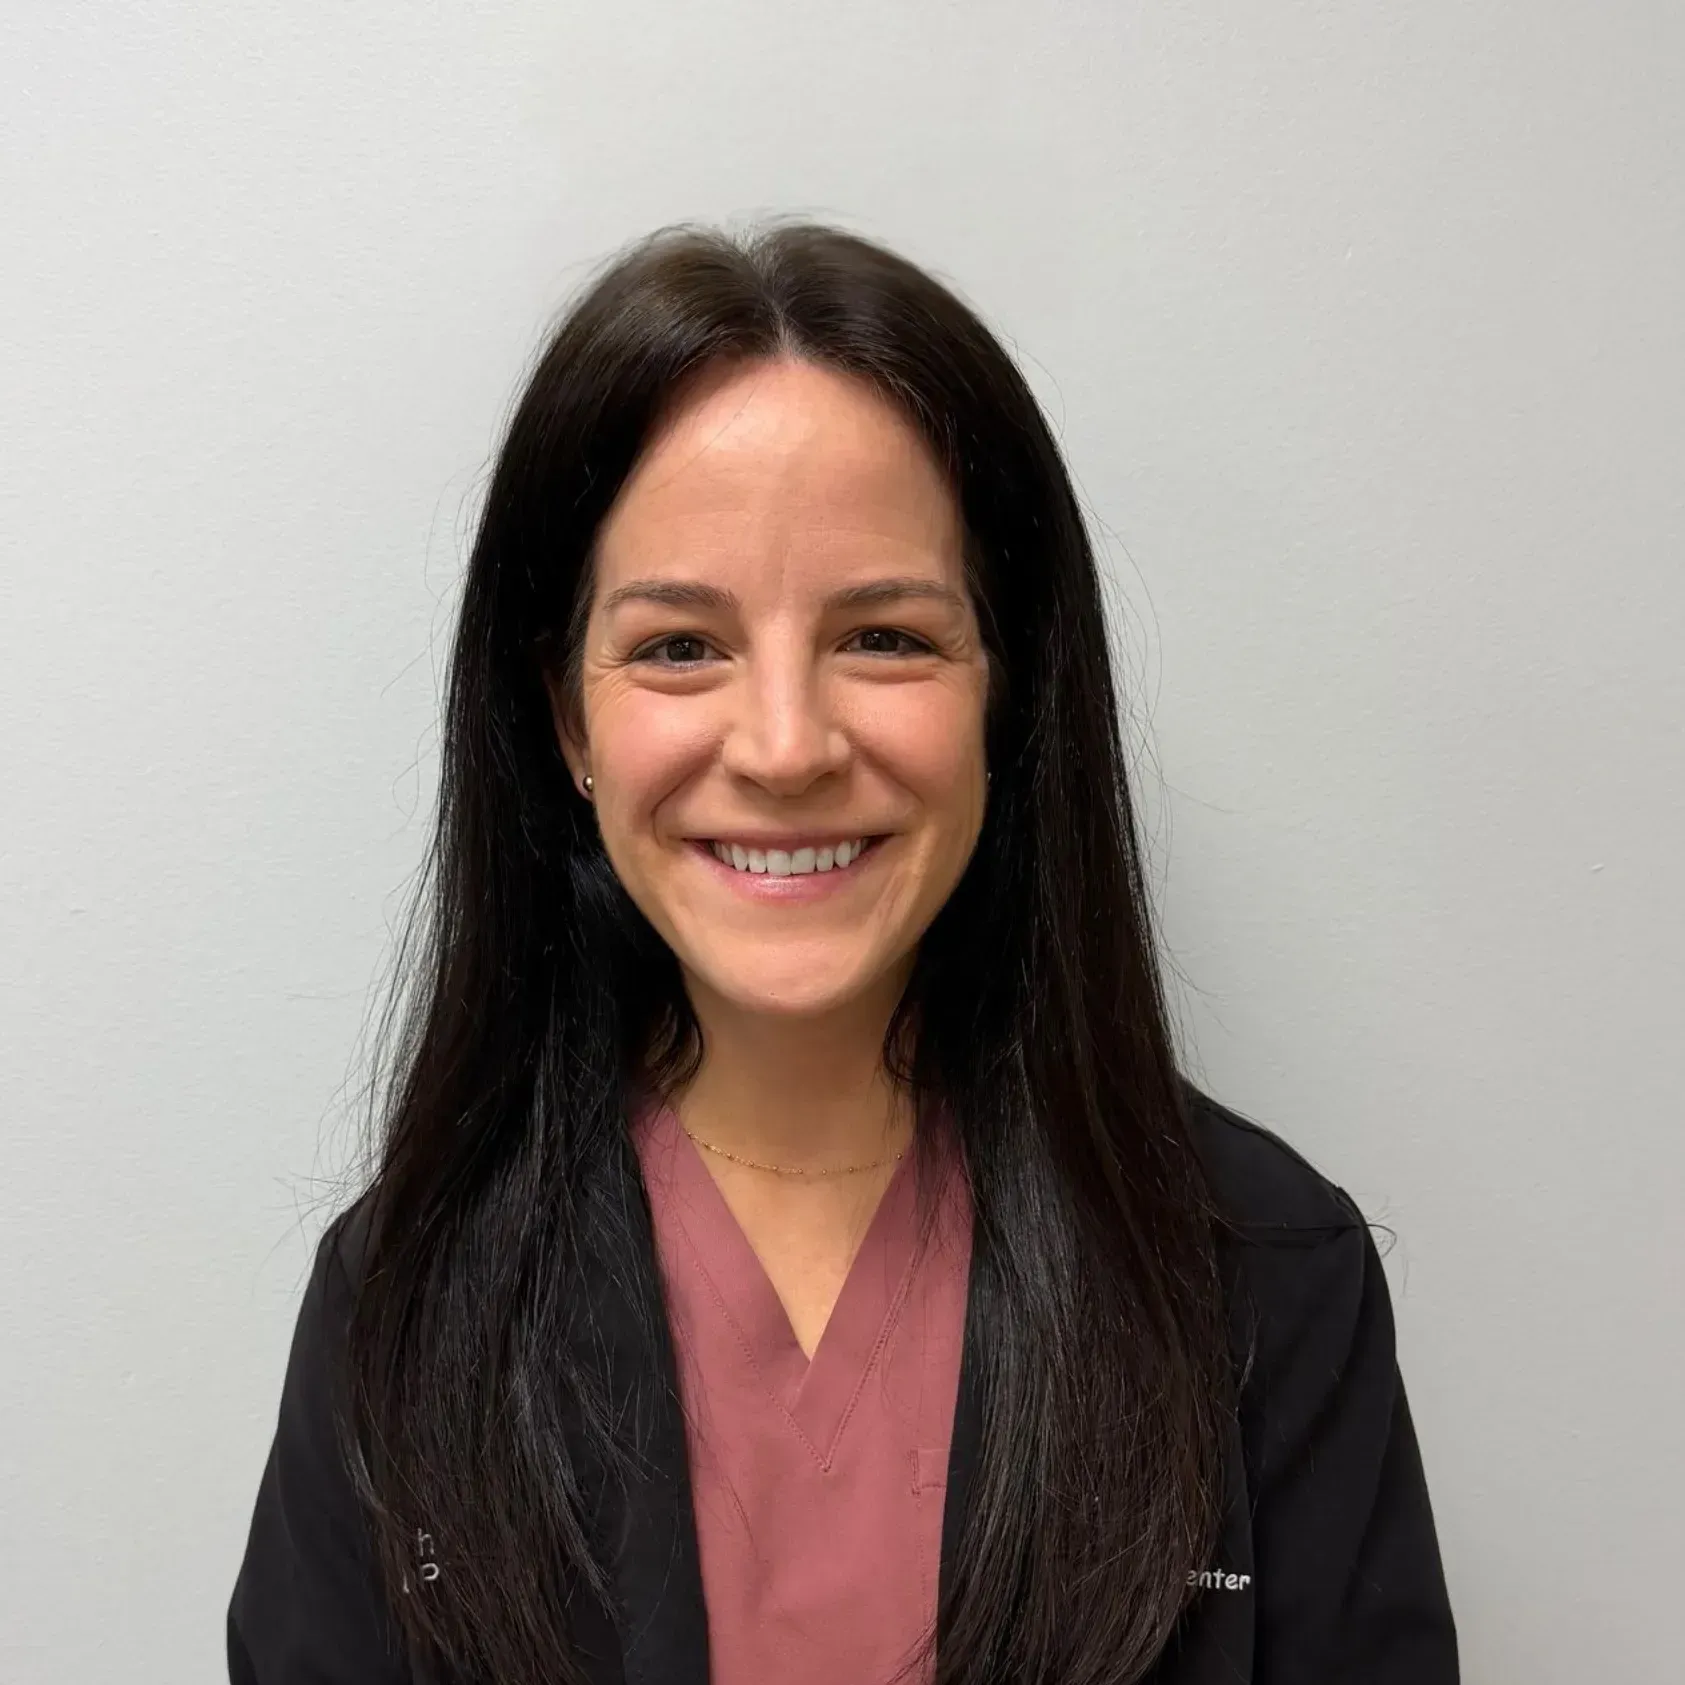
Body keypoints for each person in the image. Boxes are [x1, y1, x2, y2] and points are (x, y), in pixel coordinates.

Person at [226, 219, 1458, 1685]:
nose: (788, 747)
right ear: (567, 721)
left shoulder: (1262, 1275)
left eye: (885, 637)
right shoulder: (412, 1308)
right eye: (681, 646)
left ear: (1006, 697)